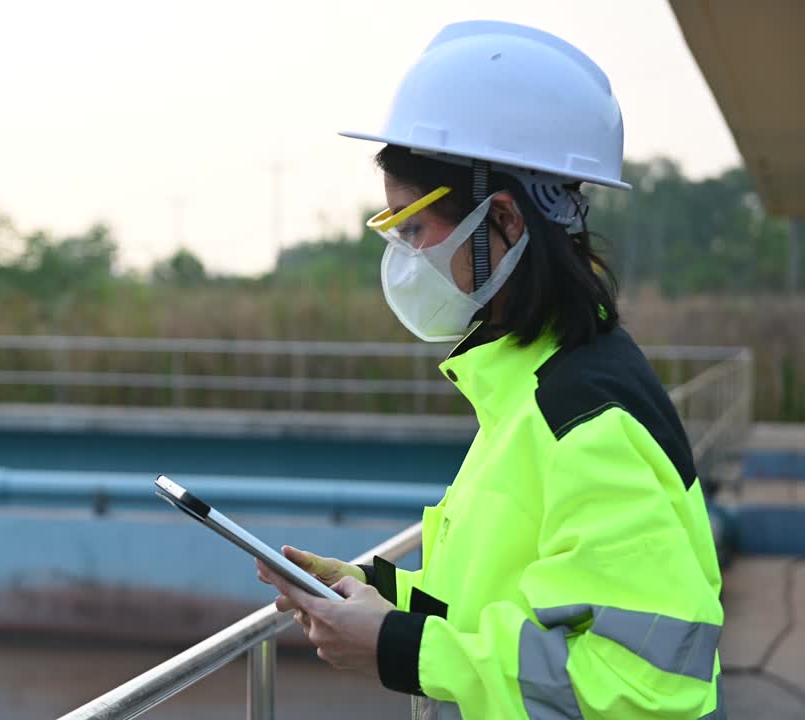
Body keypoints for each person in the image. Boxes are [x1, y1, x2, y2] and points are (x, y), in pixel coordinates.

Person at [255, 20, 724, 720]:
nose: (403, 256)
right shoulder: (529, 384)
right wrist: (377, 595)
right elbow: (508, 596)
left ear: (501, 218)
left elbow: (646, 687)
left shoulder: (586, 415)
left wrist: (400, 650)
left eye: (412, 227)